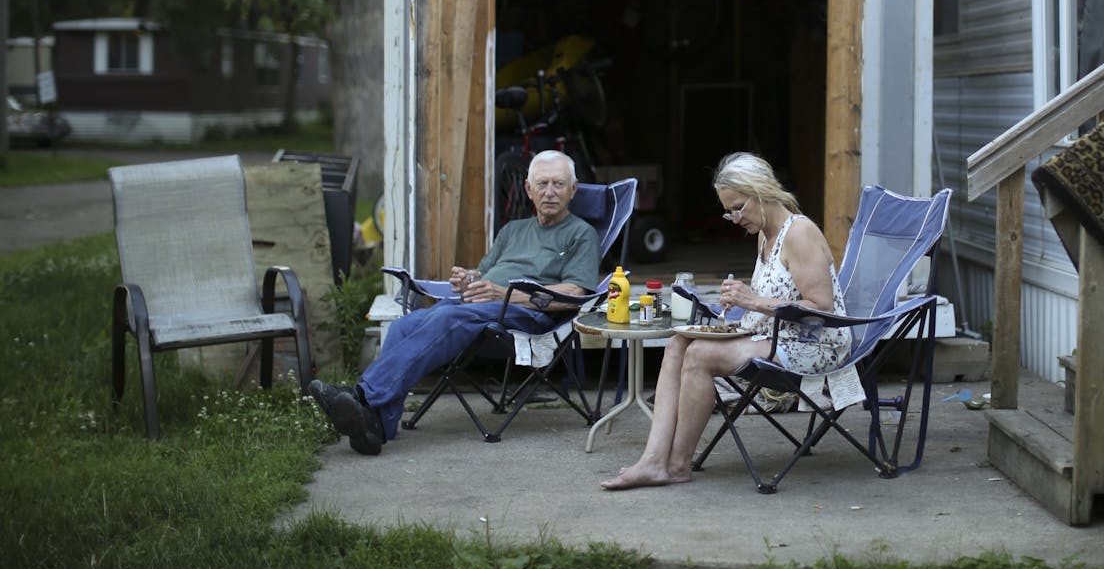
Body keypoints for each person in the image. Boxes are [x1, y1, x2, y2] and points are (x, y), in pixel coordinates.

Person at [310, 150, 600, 455]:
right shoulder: (512, 230)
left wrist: (502, 294)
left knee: (447, 319)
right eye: (542, 184)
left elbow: (574, 294)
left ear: (573, 189)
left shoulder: (581, 234)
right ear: (529, 189)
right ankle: (376, 427)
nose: (550, 192)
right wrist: (469, 279)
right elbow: (485, 274)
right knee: (403, 326)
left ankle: (362, 396)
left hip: (528, 316)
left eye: (558, 184)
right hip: (481, 308)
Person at [600, 151, 857, 490]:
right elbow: (782, 293)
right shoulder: (767, 234)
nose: (735, 219)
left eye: (739, 208)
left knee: (701, 355)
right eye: (729, 211)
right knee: (678, 342)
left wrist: (753, 300)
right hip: (778, 335)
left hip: (816, 344)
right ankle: (652, 459)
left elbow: (821, 308)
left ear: (762, 192)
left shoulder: (800, 233)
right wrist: (742, 297)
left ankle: (676, 465)